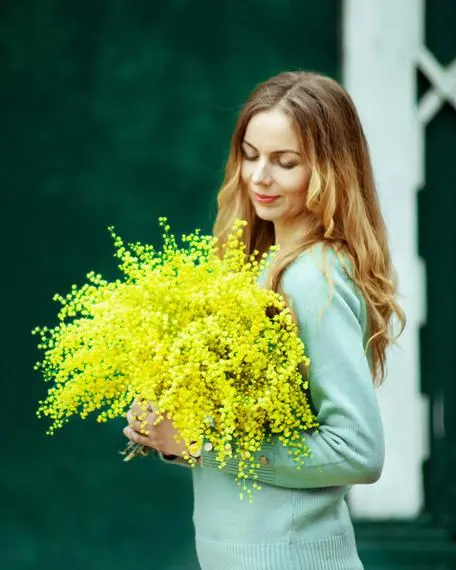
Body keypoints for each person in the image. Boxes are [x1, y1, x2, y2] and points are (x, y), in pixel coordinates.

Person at [123, 70, 405, 570]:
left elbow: (358, 450)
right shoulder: (261, 271)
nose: (259, 177)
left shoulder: (313, 278)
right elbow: (255, 433)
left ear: (329, 170)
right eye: (250, 155)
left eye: (285, 162)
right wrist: (175, 429)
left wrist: (201, 442)